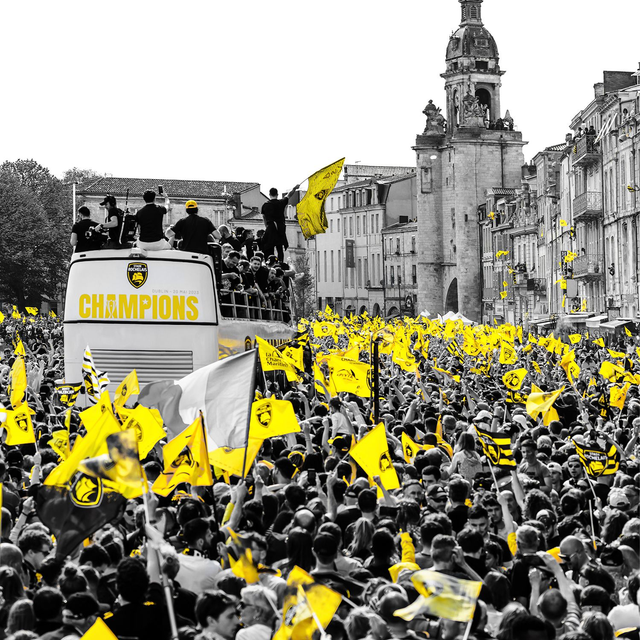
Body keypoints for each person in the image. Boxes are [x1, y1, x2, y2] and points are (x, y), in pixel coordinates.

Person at [261, 185, 299, 262]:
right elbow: (289, 195)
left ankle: (271, 261)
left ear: (269, 194)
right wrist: (294, 188)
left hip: (270, 227)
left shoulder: (265, 205)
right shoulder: (281, 202)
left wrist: (266, 226)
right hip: (280, 227)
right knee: (279, 247)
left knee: (270, 246)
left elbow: (264, 217)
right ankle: (280, 262)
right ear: (277, 194)